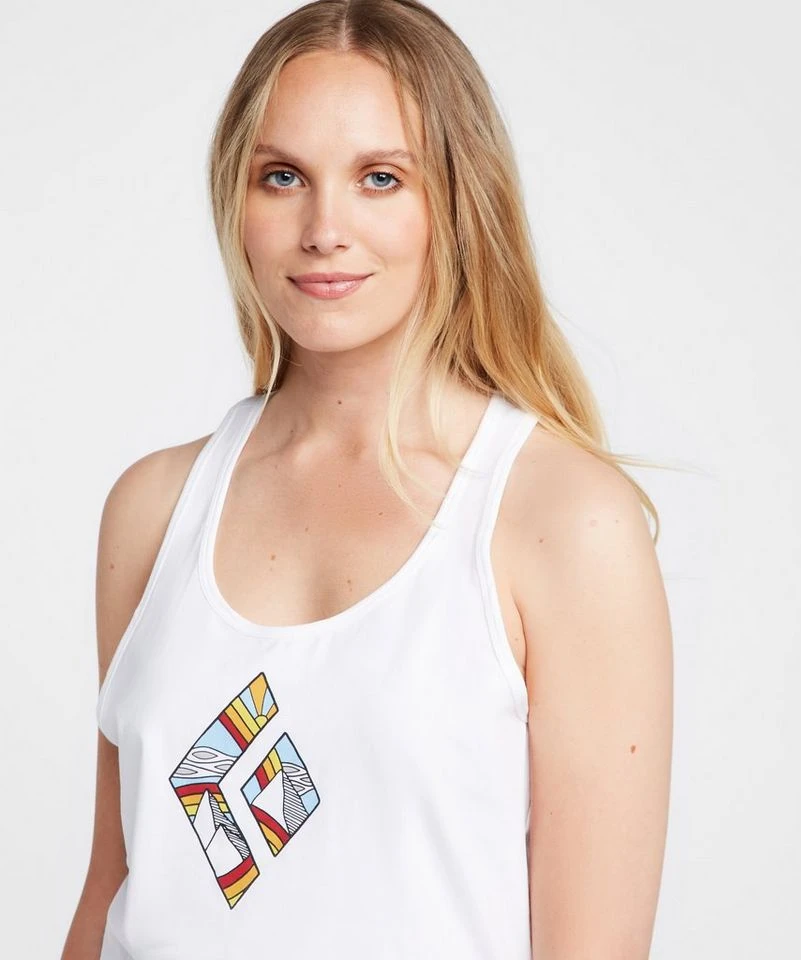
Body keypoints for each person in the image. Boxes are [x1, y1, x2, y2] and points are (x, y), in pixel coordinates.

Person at [62, 2, 673, 958]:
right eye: (283, 177)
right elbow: (115, 890)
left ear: (456, 201)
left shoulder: (561, 520)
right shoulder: (152, 509)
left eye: (380, 178)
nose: (324, 229)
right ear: (235, 198)